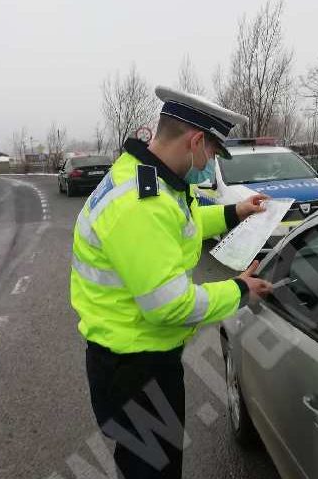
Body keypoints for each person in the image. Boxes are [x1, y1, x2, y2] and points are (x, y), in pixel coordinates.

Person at [70, 86, 273, 479]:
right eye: (213, 152)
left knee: (149, 466)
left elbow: (181, 227)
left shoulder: (152, 179)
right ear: (196, 140)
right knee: (153, 471)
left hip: (135, 360)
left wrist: (236, 212)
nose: (210, 162)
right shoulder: (140, 205)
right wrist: (240, 289)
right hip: (134, 370)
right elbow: (170, 305)